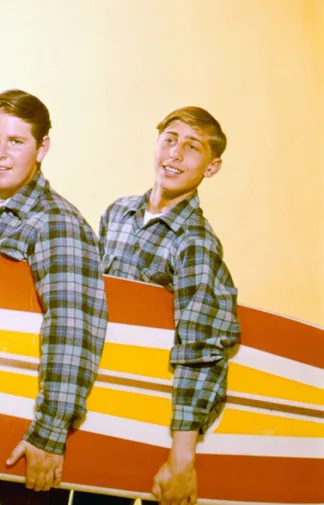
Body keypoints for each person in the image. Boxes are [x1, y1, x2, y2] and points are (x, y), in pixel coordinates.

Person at [78, 106, 240, 505]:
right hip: (97, 404)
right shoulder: (117, 213)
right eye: (169, 140)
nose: (175, 154)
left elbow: (199, 349)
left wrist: (182, 458)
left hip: (147, 414)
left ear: (212, 167)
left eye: (192, 147)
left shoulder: (195, 243)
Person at [0, 89, 107, 505]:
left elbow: (73, 332)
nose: (0, 154)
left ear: (42, 148)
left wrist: (49, 434)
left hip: (23, 428)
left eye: (16, 142)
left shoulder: (58, 224)